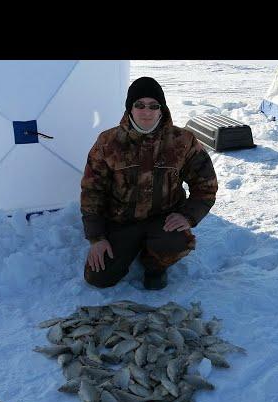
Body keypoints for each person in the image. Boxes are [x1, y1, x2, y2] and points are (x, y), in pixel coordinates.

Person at [80, 76, 218, 290]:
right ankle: (131, 246)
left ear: (161, 109)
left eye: (154, 106)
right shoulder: (108, 142)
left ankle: (155, 265)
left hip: (164, 222)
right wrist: (96, 238)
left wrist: (188, 215)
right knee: (99, 277)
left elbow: (206, 186)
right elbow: (92, 190)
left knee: (175, 243)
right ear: (130, 108)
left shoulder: (183, 141)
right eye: (140, 105)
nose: (147, 111)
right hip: (121, 222)